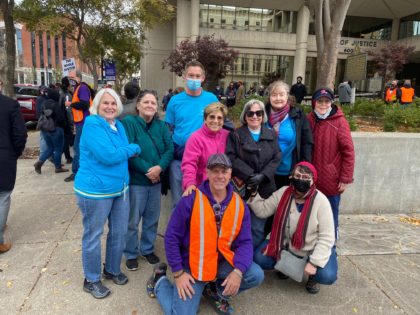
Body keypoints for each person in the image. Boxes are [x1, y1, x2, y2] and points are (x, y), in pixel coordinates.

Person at [147, 153, 264, 315]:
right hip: (193, 267)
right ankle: (160, 280)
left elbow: (245, 242)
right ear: (207, 173)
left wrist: (238, 272)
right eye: (215, 171)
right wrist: (178, 273)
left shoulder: (240, 205)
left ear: (230, 174)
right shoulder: (190, 200)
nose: (220, 176)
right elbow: (171, 237)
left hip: (221, 263)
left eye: (224, 171)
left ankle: (212, 290)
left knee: (255, 274)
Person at [74, 88, 141, 299]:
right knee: (93, 235)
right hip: (95, 191)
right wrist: (133, 148)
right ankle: (91, 279)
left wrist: (125, 150)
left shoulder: (118, 125)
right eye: (105, 103)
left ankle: (111, 269)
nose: (110, 107)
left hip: (119, 189)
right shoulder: (93, 124)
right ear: (97, 105)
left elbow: (117, 152)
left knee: (119, 231)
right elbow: (109, 155)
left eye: (113, 103)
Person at [249, 162, 336, 294]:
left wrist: (314, 262)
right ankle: (286, 267)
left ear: (313, 180)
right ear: (292, 177)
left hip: (310, 250)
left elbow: (327, 237)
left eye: (306, 177)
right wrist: (253, 194)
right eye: (298, 175)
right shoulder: (284, 192)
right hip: (285, 245)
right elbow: (263, 210)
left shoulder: (321, 201)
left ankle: (312, 277)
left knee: (327, 275)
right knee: (259, 257)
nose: (301, 179)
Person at [122, 90, 173, 270]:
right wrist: (148, 170)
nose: (150, 105)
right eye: (146, 102)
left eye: (153, 103)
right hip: (138, 181)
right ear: (138, 105)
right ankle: (130, 252)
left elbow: (169, 149)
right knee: (132, 220)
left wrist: (159, 168)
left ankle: (147, 248)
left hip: (156, 181)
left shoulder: (161, 126)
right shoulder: (129, 123)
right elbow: (129, 151)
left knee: (152, 218)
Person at [225, 99, 281, 248]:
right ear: (245, 115)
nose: (254, 116)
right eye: (250, 113)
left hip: (264, 187)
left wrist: (263, 176)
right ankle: (236, 254)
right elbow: (231, 157)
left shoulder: (271, 134)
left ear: (263, 116)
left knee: (257, 227)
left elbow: (277, 157)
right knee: (238, 225)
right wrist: (250, 175)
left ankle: (251, 258)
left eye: (258, 113)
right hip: (242, 187)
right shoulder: (236, 135)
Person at [165, 60, 218, 209]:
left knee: (205, 205)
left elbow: (219, 126)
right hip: (180, 160)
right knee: (180, 203)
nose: (194, 79)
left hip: (205, 161)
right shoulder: (175, 101)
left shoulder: (211, 99)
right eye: (191, 75)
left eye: (197, 76)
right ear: (184, 76)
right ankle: (180, 232)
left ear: (203, 78)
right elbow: (168, 130)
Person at [307, 87, 355, 240]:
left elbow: (348, 151)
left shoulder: (340, 122)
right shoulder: (309, 119)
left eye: (326, 101)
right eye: (320, 101)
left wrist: (345, 178)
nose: (323, 104)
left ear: (331, 103)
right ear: (314, 102)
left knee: (330, 213)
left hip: (331, 180)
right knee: (311, 214)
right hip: (311, 179)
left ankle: (331, 243)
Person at [266, 81, 313, 190]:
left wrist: (304, 166)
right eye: (274, 95)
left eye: (281, 94)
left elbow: (306, 142)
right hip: (266, 171)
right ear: (269, 97)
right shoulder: (261, 114)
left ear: (287, 96)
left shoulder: (297, 115)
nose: (278, 98)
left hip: (289, 171)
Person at [182, 102, 229, 196]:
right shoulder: (195, 138)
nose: (216, 121)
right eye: (212, 117)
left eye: (219, 118)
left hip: (223, 187)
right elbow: (189, 164)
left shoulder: (227, 135)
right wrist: (190, 184)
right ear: (205, 119)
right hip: (203, 186)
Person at [0, 93, 27, 253]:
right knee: (3, 196)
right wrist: (14, 152)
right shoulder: (10, 105)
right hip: (4, 157)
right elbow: (20, 134)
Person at [64, 70, 93, 182]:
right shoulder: (78, 88)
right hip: (80, 122)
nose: (69, 79)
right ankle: (81, 171)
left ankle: (76, 172)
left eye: (71, 77)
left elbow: (85, 104)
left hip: (84, 122)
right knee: (81, 147)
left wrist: (71, 104)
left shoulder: (82, 88)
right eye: (68, 77)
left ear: (78, 77)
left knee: (78, 148)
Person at [33, 88, 69, 174]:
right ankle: (58, 167)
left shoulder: (44, 103)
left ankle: (39, 162)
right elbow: (61, 118)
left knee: (50, 147)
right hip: (56, 129)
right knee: (58, 148)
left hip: (45, 129)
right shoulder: (55, 104)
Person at [59, 77, 74, 164]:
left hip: (61, 119)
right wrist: (72, 123)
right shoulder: (67, 94)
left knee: (65, 139)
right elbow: (68, 110)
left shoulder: (60, 91)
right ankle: (55, 155)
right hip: (66, 120)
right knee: (67, 139)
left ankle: (68, 157)